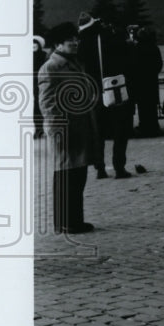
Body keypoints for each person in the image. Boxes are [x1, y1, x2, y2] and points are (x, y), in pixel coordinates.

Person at [38, 22, 98, 234]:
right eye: (69, 40)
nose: (75, 42)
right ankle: (66, 222)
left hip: (79, 127)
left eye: (75, 38)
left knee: (77, 175)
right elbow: (47, 103)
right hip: (65, 130)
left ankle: (73, 220)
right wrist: (59, 131)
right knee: (66, 176)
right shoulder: (51, 67)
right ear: (57, 44)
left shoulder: (73, 63)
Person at [77, 12, 135, 179]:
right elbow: (127, 59)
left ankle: (100, 168)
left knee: (98, 132)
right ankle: (119, 167)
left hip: (94, 92)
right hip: (114, 89)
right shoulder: (110, 37)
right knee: (120, 130)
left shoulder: (82, 43)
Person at [131, 26, 164, 136]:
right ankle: (153, 126)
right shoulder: (154, 48)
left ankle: (144, 126)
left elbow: (133, 65)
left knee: (142, 105)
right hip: (152, 81)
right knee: (152, 105)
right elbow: (159, 64)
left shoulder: (137, 48)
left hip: (140, 82)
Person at [33, 35, 47, 138]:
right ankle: (37, 129)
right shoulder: (27, 56)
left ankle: (41, 129)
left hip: (42, 83)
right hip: (33, 84)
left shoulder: (44, 56)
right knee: (35, 107)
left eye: (35, 46)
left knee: (41, 105)